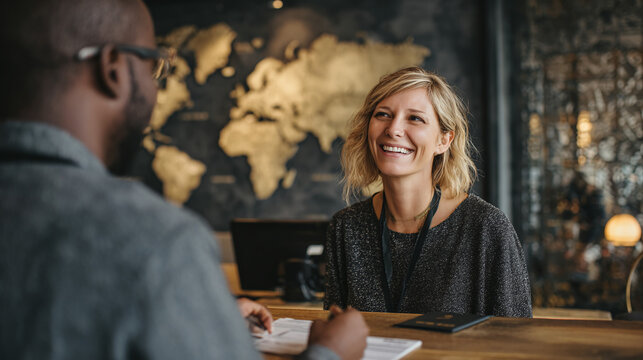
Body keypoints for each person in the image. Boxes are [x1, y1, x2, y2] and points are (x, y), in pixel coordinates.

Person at [0, 1, 368, 359]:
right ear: (112, 69)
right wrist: (329, 353)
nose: (157, 85)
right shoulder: (155, 241)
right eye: (153, 65)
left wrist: (197, 313)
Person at [324, 67, 532, 317]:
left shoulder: (486, 228)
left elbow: (515, 342)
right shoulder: (345, 227)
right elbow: (335, 335)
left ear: (443, 141)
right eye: (383, 114)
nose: (393, 129)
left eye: (415, 118)